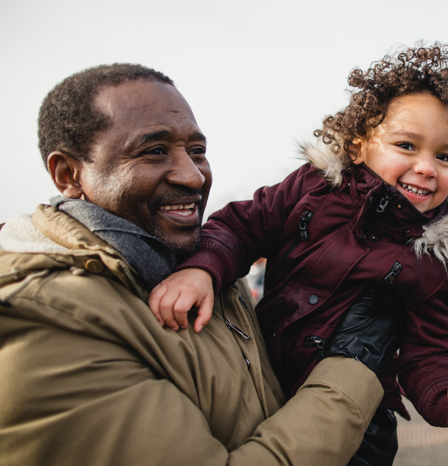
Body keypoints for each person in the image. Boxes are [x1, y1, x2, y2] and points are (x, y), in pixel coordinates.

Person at [0, 63, 406, 466]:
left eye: (197, 151)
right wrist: (349, 376)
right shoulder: (47, 322)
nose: (194, 177)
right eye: (155, 151)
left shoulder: (197, 266)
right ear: (69, 174)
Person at [149, 43, 448, 464]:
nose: (428, 167)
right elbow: (241, 225)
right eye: (407, 146)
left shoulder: (438, 256)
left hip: (359, 426)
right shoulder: (312, 189)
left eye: (445, 156)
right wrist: (203, 269)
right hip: (265, 389)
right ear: (359, 147)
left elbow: (431, 351)